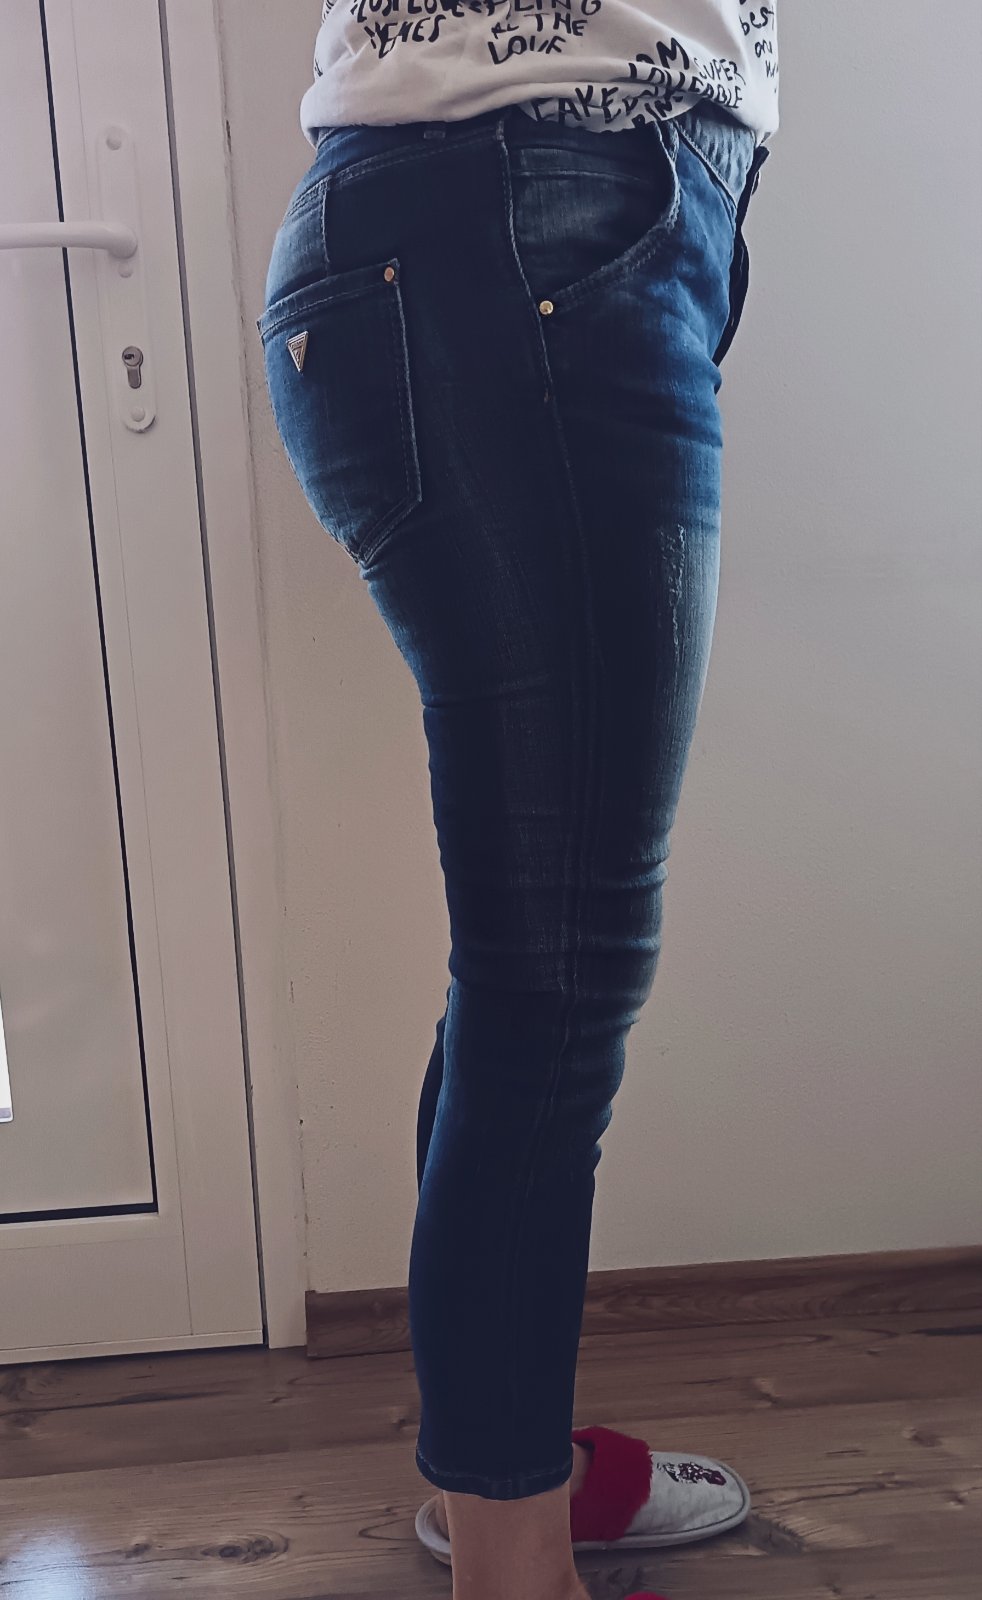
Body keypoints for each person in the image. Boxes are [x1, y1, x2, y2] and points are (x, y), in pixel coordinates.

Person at [259, 5, 778, 1597]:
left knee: (530, 966)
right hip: (537, 209)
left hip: (517, 222)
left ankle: (502, 1479)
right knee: (556, 971)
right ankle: (509, 1559)